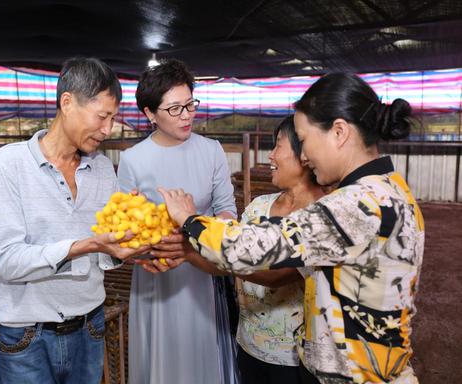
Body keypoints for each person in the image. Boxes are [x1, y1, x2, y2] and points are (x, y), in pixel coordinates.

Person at [160, 72, 424, 384]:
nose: (305, 155)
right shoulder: (391, 189)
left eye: (306, 139)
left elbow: (253, 249)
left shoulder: (356, 205)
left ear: (339, 132)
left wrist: (191, 221)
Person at [0, 57, 149, 384]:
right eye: (102, 116)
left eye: (113, 118)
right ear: (67, 102)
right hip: (27, 337)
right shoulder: (10, 163)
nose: (108, 129)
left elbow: (103, 255)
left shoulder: (103, 169)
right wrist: (83, 246)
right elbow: (6, 260)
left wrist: (123, 244)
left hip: (89, 327)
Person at [117, 58, 239, 384]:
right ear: (149, 114)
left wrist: (198, 230)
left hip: (201, 272)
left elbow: (228, 211)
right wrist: (148, 246)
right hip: (156, 278)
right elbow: (121, 227)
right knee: (162, 363)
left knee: (202, 356)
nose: (187, 115)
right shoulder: (132, 160)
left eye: (190, 104)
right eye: (174, 109)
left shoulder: (212, 151)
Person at [235, 115, 324, 384]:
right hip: (249, 344)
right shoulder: (258, 207)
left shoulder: (321, 216)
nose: (270, 156)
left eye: (278, 146)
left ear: (305, 155)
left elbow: (277, 274)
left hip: (292, 358)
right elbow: (233, 252)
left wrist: (199, 246)